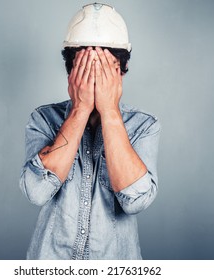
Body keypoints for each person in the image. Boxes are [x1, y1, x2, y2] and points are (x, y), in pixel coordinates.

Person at [20, 3, 160, 260]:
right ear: (70, 71)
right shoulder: (43, 119)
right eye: (85, 67)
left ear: (122, 71)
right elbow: (37, 191)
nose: (95, 77)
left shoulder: (143, 125)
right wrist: (80, 109)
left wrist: (110, 112)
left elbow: (136, 201)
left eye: (105, 68)